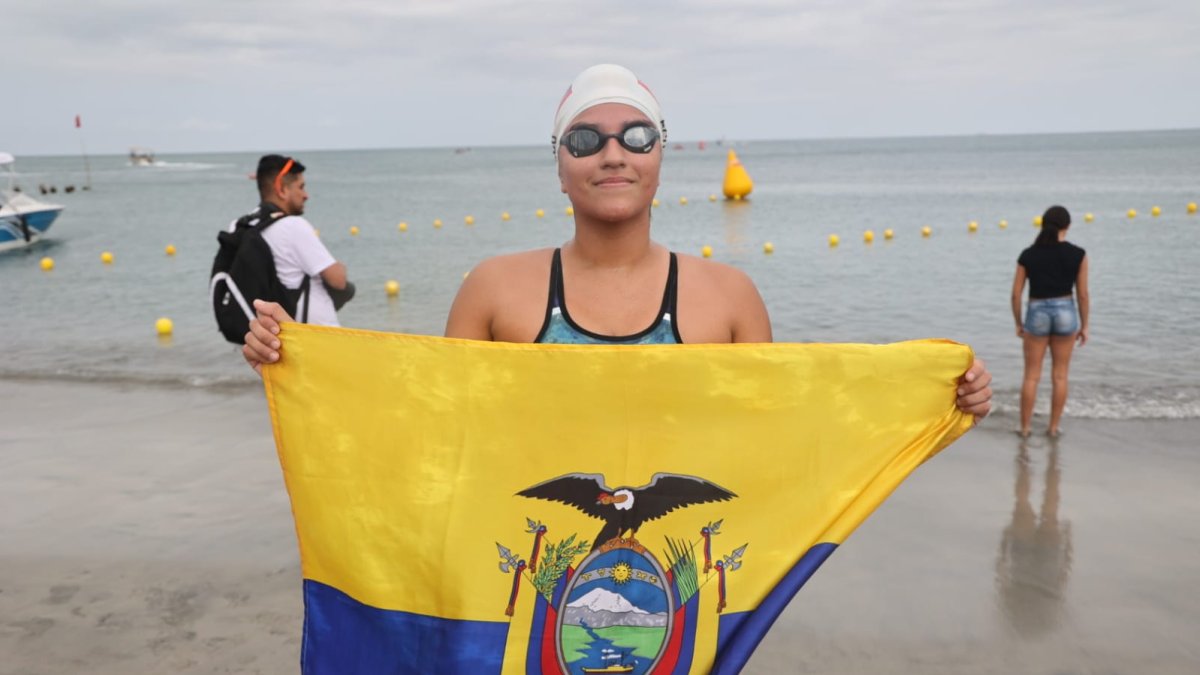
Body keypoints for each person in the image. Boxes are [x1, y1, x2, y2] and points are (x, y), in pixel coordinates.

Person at [243, 65, 991, 420]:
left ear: (660, 155)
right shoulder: (496, 291)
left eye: (635, 134)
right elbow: (437, 431)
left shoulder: (729, 299)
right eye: (585, 138)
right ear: (559, 165)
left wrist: (932, 398)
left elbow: (784, 440)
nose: (612, 153)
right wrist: (299, 360)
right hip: (522, 573)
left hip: (685, 581)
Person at [236, 155, 352, 331]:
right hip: (314, 339)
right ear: (281, 189)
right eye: (301, 187)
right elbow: (338, 281)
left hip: (272, 337)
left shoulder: (243, 225)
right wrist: (340, 267)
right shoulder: (292, 226)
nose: (306, 195)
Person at [1011, 205, 1089, 437]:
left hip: (1036, 312)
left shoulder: (1028, 254)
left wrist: (1018, 322)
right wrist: (1084, 325)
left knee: (1031, 376)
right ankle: (1053, 429)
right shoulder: (1078, 254)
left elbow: (1016, 294)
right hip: (1066, 311)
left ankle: (1024, 429)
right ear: (1068, 226)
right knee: (1060, 375)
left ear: (1043, 224)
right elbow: (1083, 295)